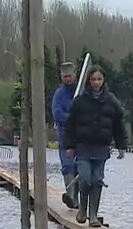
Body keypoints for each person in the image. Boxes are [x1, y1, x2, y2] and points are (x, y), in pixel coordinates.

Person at [62, 65, 128, 227]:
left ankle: (93, 215)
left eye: (99, 79)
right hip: (83, 147)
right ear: (88, 81)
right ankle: (82, 209)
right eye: (93, 79)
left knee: (97, 180)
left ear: (103, 80)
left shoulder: (111, 101)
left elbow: (119, 125)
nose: (96, 82)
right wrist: (69, 146)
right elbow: (70, 125)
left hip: (101, 148)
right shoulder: (80, 102)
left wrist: (121, 146)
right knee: (85, 178)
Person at [52, 62, 79, 209]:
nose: (68, 79)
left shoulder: (81, 92)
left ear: (75, 74)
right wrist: (71, 118)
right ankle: (71, 197)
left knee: (80, 167)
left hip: (81, 137)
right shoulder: (59, 95)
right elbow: (57, 114)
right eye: (65, 77)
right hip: (65, 136)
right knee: (68, 166)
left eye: (70, 76)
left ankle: (79, 198)